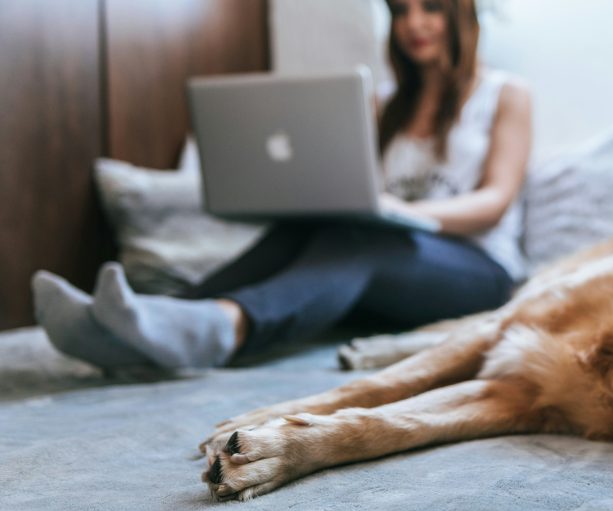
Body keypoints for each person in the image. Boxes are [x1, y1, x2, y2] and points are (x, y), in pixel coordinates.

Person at [32, 0, 532, 372]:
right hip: (389, 254)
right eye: (401, 10)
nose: (414, 24)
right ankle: (149, 322)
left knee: (361, 239)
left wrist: (406, 211)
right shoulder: (382, 103)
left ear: (461, 14)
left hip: (477, 270)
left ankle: (222, 327)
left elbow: (495, 201)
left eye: (431, 9)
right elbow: (355, 186)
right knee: (321, 228)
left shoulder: (505, 94)